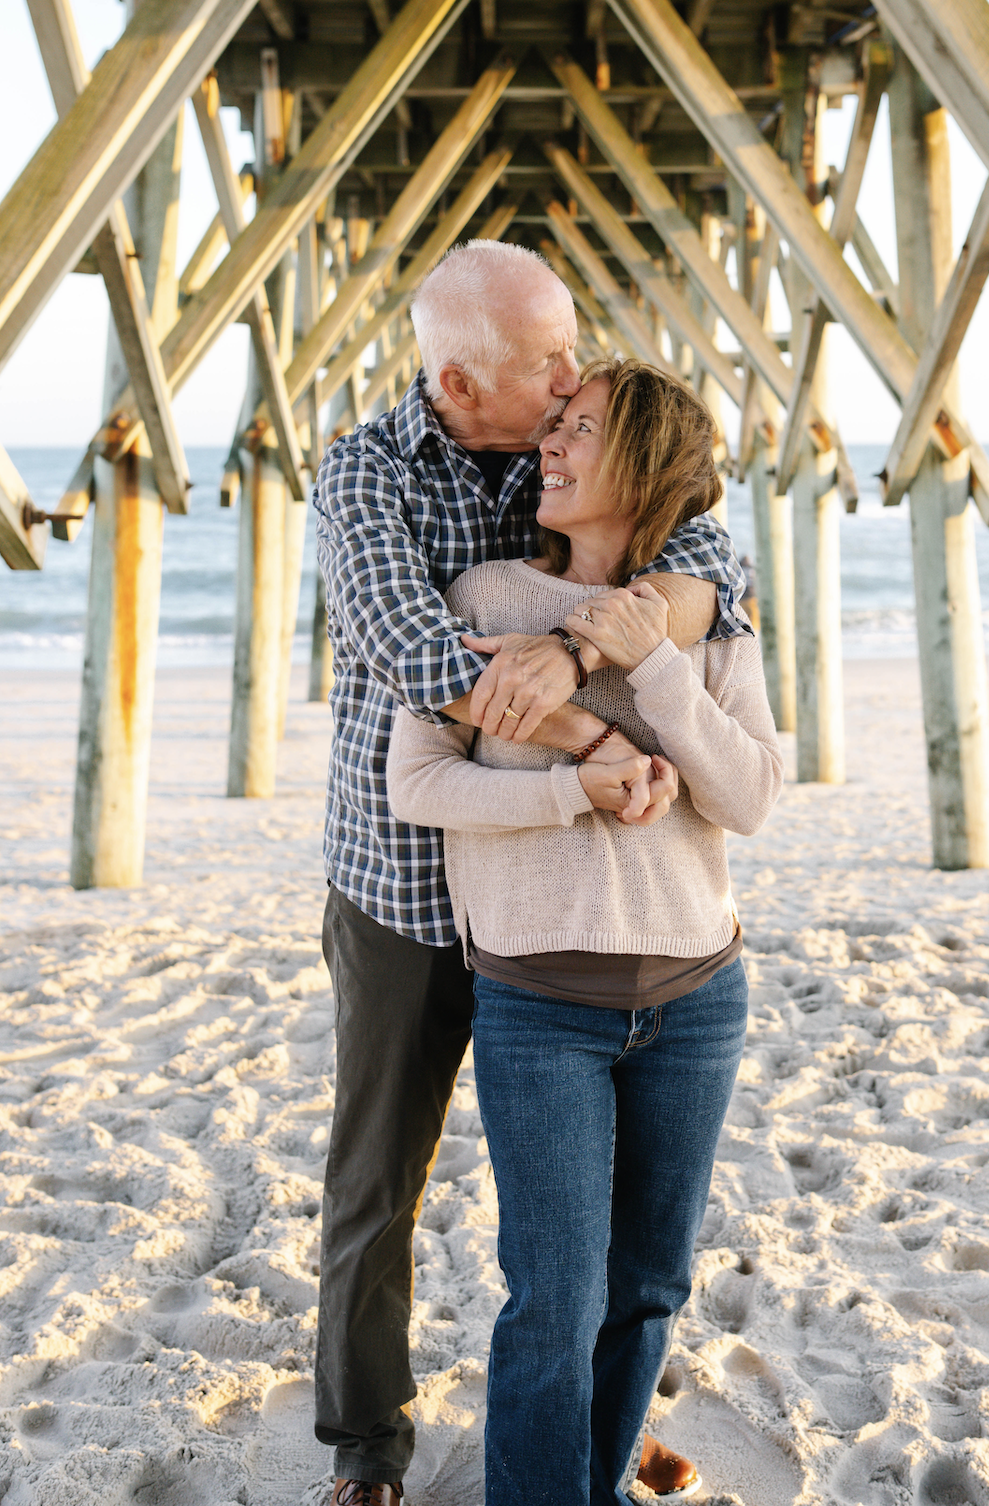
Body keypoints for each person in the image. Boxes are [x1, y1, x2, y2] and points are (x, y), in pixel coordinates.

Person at [313, 240, 752, 1506]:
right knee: (380, 1174)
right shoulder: (368, 470)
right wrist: (595, 729)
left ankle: (590, 1436)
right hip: (402, 874)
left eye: (574, 352)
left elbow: (708, 570)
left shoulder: (563, 455)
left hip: (558, 903)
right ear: (458, 382)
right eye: (547, 365)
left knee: (589, 1237)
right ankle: (368, 1440)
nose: (571, 385)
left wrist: (566, 651)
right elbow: (412, 645)